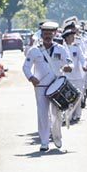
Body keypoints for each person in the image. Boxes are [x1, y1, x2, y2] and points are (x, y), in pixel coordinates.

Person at [22, 21, 73, 151]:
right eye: (45, 34)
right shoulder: (34, 50)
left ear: (54, 34)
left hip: (56, 86)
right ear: (41, 34)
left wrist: (68, 67)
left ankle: (57, 137)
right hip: (41, 86)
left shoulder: (60, 48)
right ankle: (44, 141)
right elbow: (26, 67)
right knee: (42, 114)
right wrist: (31, 78)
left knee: (56, 114)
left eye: (50, 33)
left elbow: (69, 62)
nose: (47, 36)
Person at [61, 22, 87, 123]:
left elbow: (82, 59)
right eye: (71, 36)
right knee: (68, 97)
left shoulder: (77, 47)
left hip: (78, 76)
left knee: (78, 96)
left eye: (74, 36)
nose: (73, 38)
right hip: (67, 76)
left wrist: (85, 65)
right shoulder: (62, 48)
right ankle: (68, 115)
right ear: (66, 37)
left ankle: (77, 114)